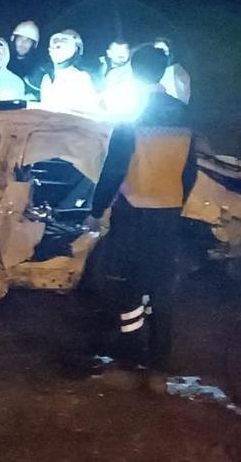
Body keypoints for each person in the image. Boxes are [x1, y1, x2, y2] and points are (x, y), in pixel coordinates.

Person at [84, 45, 196, 369]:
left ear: (133, 71)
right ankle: (160, 356)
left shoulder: (131, 115)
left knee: (125, 281)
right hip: (168, 211)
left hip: (133, 209)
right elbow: (190, 170)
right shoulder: (185, 114)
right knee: (161, 282)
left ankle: (131, 350)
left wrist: (97, 210)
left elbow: (115, 167)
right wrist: (176, 200)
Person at [39, 29, 100, 115]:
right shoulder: (46, 78)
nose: (58, 51)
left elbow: (91, 112)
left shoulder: (81, 78)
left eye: (63, 46)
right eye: (56, 46)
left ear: (75, 50)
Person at [8, 20, 44, 96]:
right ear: (13, 39)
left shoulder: (38, 69)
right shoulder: (2, 62)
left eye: (28, 40)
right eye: (20, 38)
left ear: (34, 45)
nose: (24, 43)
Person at [153, 38, 191, 104]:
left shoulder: (178, 72)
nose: (160, 55)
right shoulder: (147, 73)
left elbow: (183, 100)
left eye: (163, 51)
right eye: (157, 51)